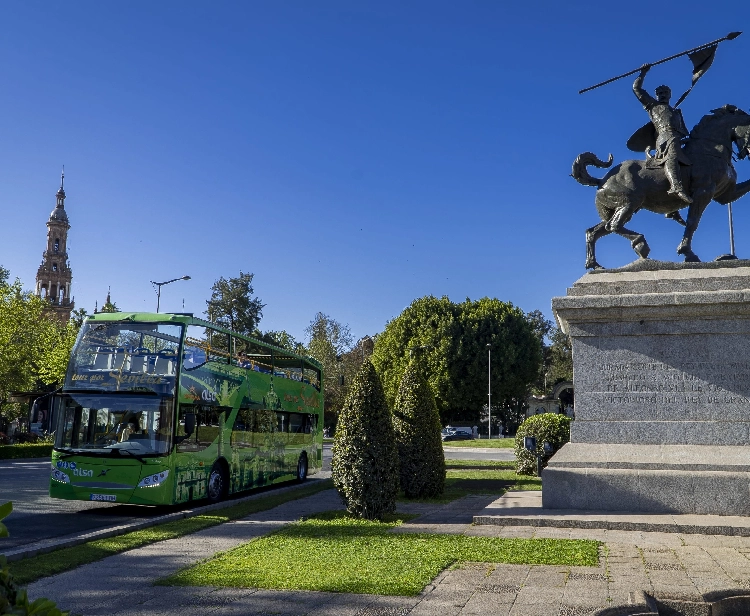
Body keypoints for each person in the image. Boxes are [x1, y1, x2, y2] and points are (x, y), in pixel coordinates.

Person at [632, 63, 692, 204]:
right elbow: (636, 88)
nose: (663, 95)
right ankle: (676, 187)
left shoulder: (676, 112)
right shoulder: (652, 105)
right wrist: (643, 73)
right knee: (673, 154)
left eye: (665, 93)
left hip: (677, 138)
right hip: (665, 138)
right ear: (656, 95)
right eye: (660, 93)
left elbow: (682, 132)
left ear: (670, 95)